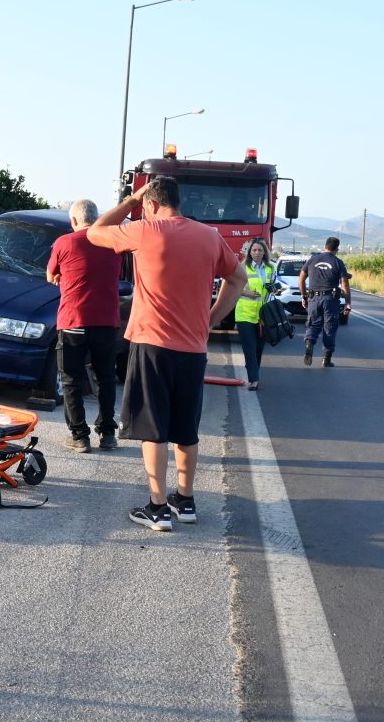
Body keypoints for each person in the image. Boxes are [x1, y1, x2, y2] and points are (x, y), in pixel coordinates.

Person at [89, 176, 249, 531]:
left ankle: (158, 508)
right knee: (186, 430)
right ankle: (186, 500)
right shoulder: (209, 236)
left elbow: (95, 231)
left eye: (145, 205)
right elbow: (239, 280)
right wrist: (210, 320)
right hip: (193, 349)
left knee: (154, 429)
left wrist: (131, 201)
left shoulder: (145, 230)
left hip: (152, 346)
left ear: (152, 204)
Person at [46, 198, 121, 453]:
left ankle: (79, 436)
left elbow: (50, 275)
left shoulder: (64, 242)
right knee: (107, 378)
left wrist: (61, 277)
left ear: (74, 221)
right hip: (106, 323)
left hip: (73, 321)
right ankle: (108, 433)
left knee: (71, 380)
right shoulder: (112, 243)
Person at [299, 236, 352, 367]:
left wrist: (304, 296)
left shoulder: (312, 260)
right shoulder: (338, 262)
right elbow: (344, 285)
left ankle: (309, 342)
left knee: (313, 324)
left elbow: (301, 279)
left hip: (313, 298)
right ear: (337, 249)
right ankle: (326, 359)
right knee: (329, 328)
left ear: (325, 246)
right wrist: (347, 302)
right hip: (330, 299)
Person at [234, 238, 277, 391]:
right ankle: (253, 379)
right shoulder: (241, 267)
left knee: (259, 349)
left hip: (263, 315)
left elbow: (273, 287)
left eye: (260, 250)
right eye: (254, 250)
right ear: (249, 252)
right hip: (245, 314)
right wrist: (245, 292)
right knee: (249, 348)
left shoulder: (271, 268)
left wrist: (274, 289)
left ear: (265, 252)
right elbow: (230, 289)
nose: (257, 253)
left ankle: (254, 375)